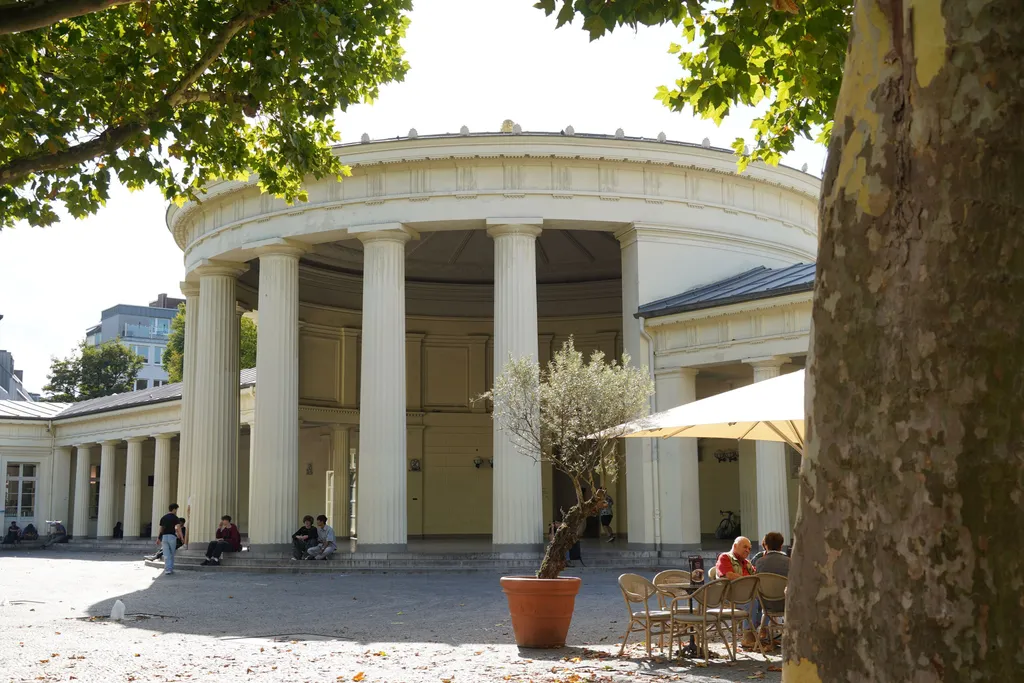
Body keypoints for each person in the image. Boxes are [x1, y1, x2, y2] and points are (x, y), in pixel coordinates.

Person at [715, 536, 758, 649]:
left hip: (746, 594)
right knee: (753, 603)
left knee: (766, 601)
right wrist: (747, 580)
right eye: (745, 547)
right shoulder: (725, 557)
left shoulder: (746, 563)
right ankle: (748, 636)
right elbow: (729, 575)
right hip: (730, 596)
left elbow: (755, 576)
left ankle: (762, 633)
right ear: (735, 546)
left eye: (749, 548)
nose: (747, 550)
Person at [751, 532, 790, 648]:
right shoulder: (790, 562)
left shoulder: (759, 562)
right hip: (786, 603)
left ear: (765, 545)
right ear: (781, 545)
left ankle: (761, 632)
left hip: (765, 604)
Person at [156, 504, 182, 575]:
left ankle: (167, 569)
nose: (176, 511)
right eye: (176, 509)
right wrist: (181, 537)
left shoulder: (163, 517)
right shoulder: (175, 518)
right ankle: (170, 569)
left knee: (166, 554)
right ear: (174, 509)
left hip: (164, 537)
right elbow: (178, 528)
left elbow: (161, 529)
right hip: (172, 537)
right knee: (172, 553)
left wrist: (158, 538)